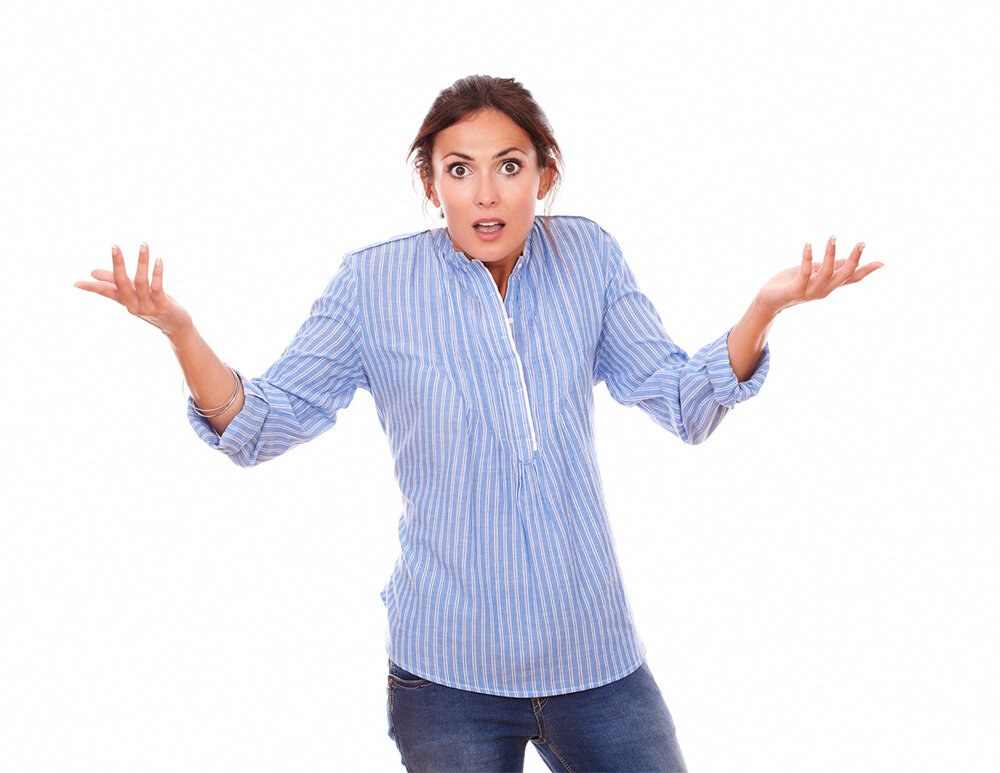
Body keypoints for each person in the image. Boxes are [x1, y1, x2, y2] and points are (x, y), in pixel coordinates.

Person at [74, 74, 883, 772]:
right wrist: (181, 332)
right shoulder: (373, 285)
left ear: (544, 175)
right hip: (447, 674)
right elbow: (263, 424)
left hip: (595, 657)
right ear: (432, 184)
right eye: (459, 169)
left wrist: (765, 307)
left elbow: (681, 400)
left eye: (509, 166)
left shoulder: (588, 257)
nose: (485, 194)